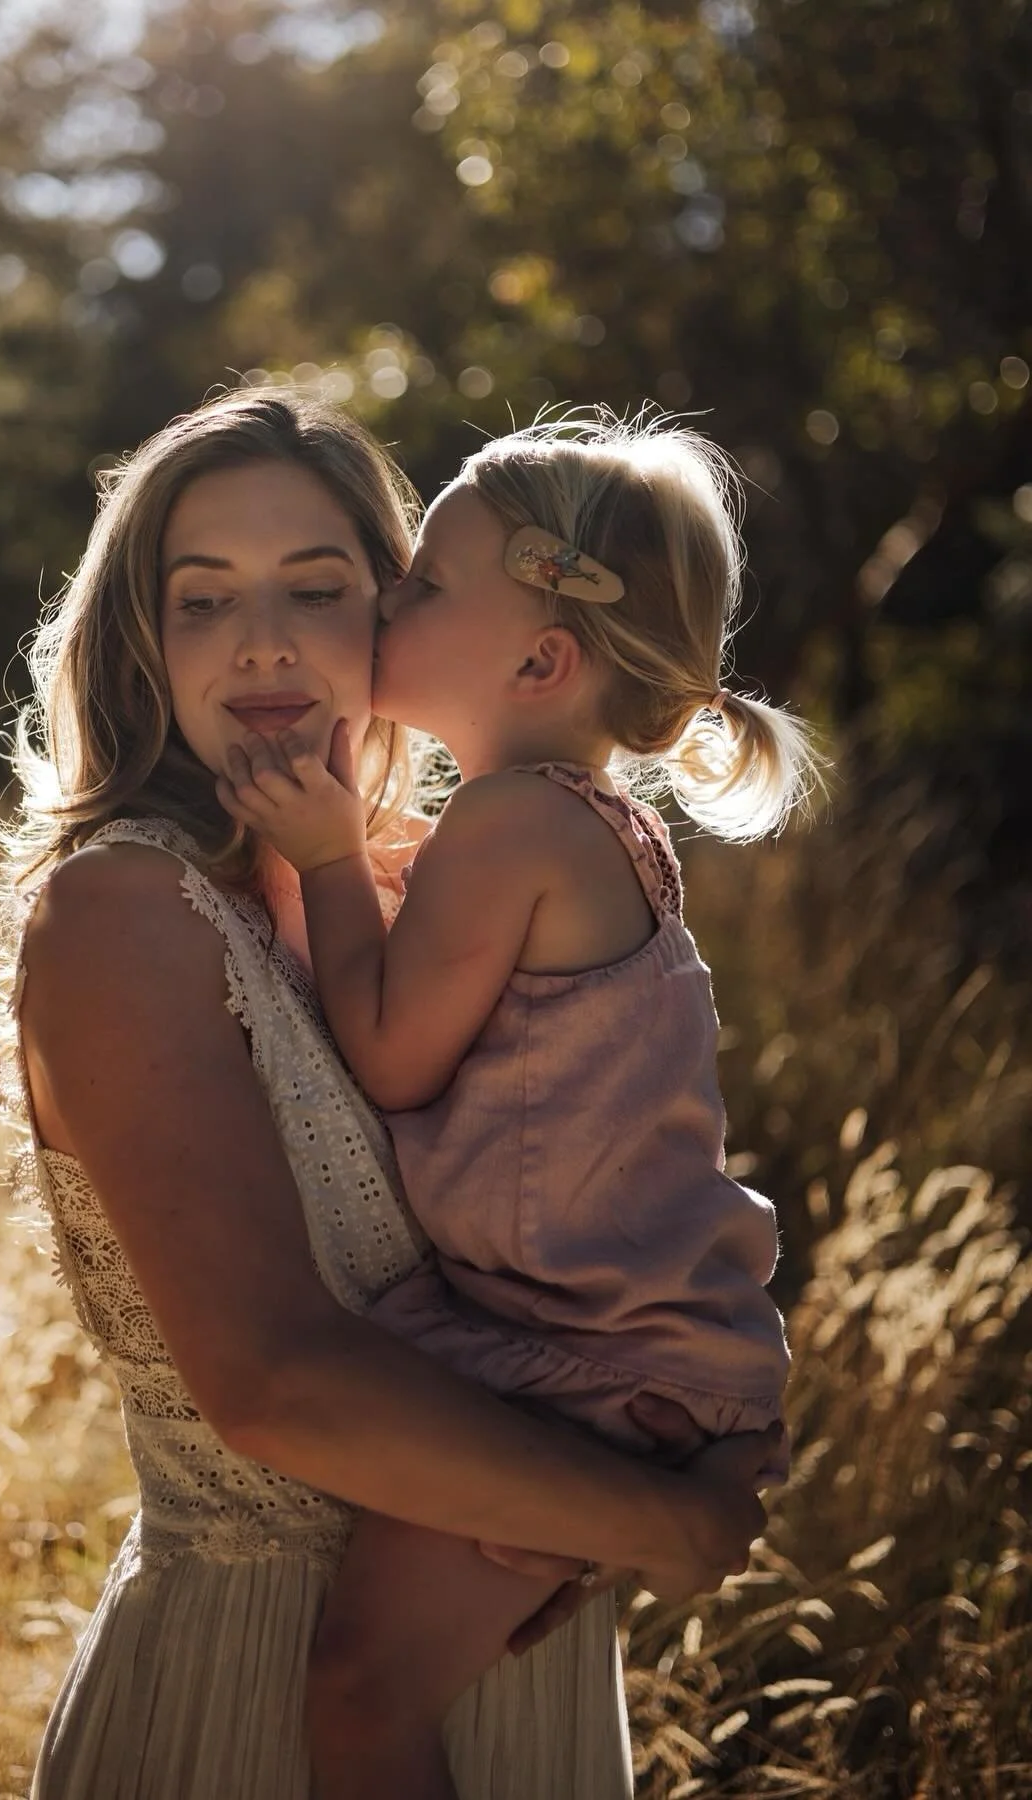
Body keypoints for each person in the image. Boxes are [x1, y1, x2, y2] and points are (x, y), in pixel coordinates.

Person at [0, 390, 780, 1800]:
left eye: (321, 587)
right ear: (140, 639)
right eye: (204, 597)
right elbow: (272, 1381)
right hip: (258, 1685)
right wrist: (667, 1521)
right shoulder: (125, 914)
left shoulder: (417, 880)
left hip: (498, 1650)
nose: (268, 640)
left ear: (394, 613)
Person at [217, 408, 818, 1800]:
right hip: (614, 1337)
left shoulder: (508, 827)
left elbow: (389, 1057)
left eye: (424, 583)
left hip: (579, 1355)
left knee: (362, 1703)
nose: (386, 600)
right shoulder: (583, 817)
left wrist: (320, 857)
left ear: (541, 657)